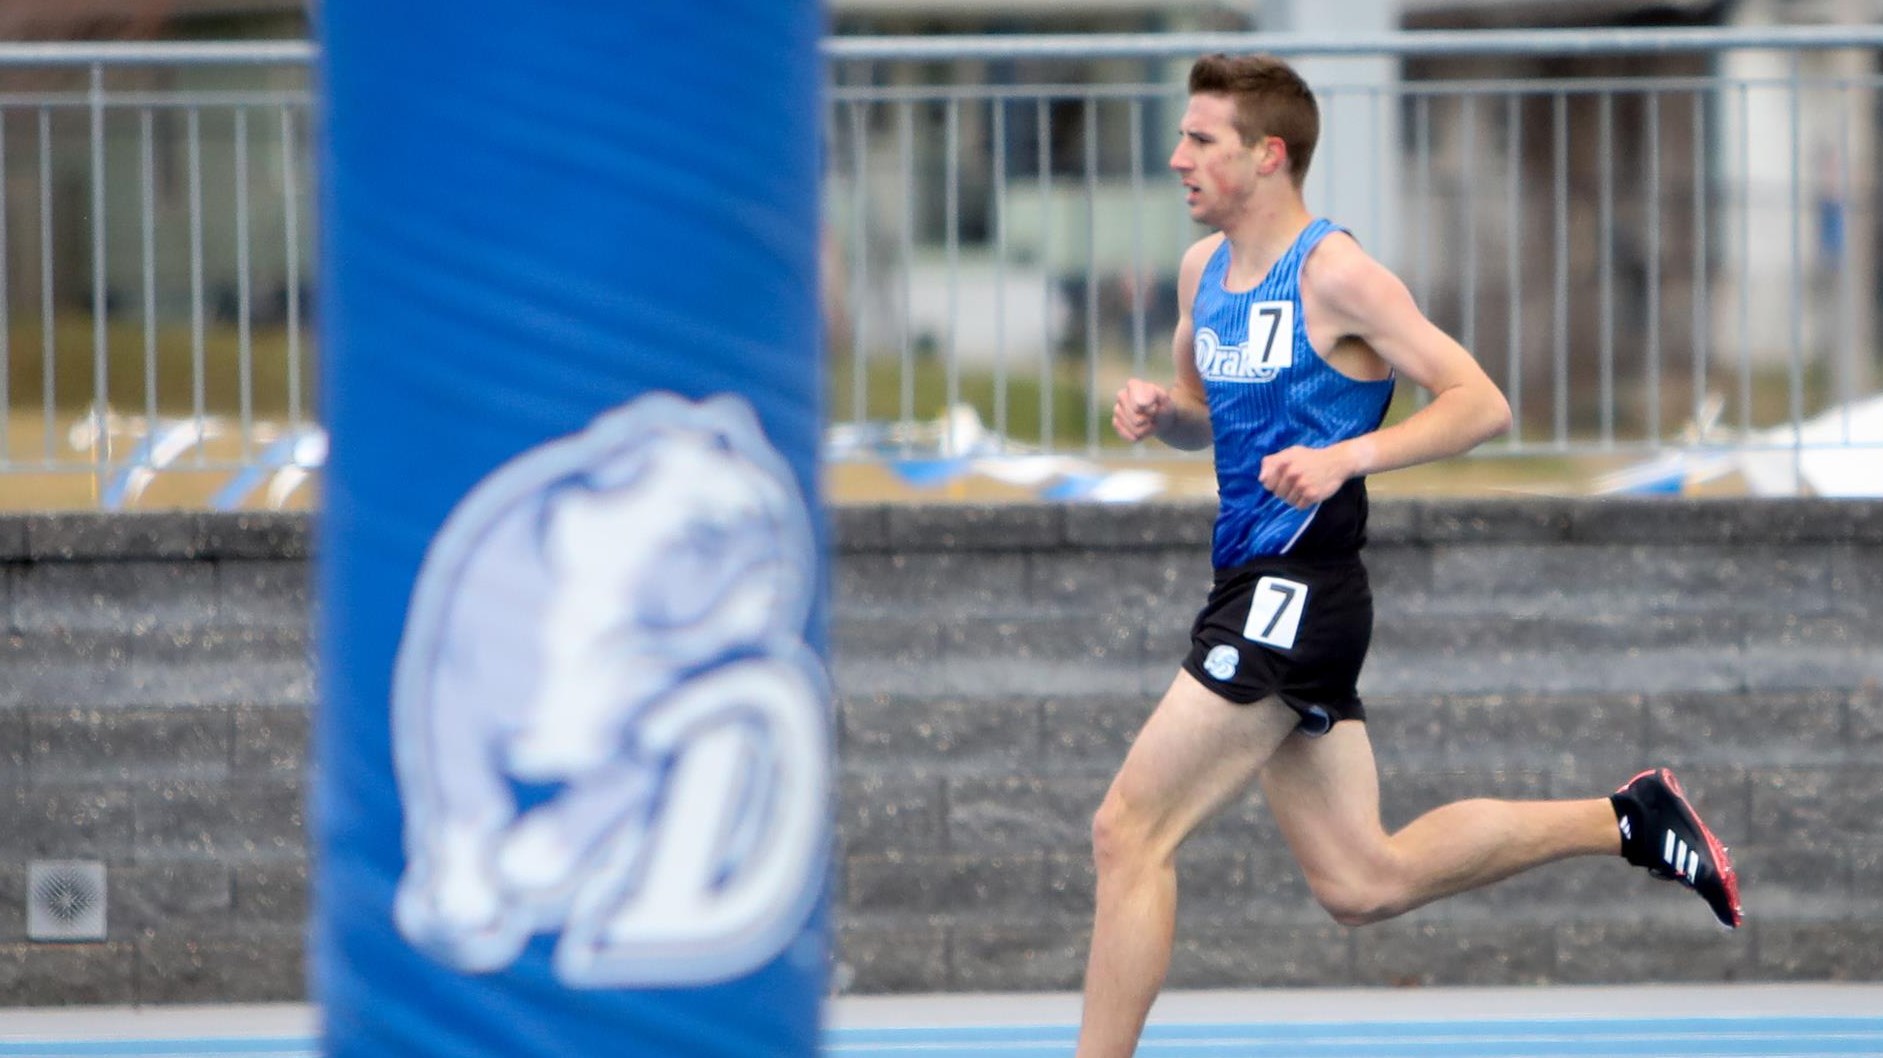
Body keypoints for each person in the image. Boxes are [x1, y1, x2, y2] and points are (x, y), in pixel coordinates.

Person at [1079, 53, 1740, 1058]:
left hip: (1297, 588)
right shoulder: (1198, 274)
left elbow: (1479, 400)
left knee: (1127, 832)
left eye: (1198, 139)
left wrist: (1348, 454)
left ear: (1266, 155)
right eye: (1178, 136)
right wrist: (1160, 413)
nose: (1176, 158)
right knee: (1362, 879)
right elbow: (1211, 422)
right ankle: (1627, 817)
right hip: (1258, 585)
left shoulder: (1335, 272)